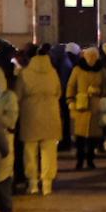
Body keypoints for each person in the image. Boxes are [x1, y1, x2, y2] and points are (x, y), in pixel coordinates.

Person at [16, 49, 62, 196]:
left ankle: (33, 184)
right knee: (49, 151)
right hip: (51, 114)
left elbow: (18, 95)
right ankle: (47, 184)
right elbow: (58, 92)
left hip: (30, 115)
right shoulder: (53, 73)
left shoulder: (25, 74)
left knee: (30, 152)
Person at [67, 44, 106, 171]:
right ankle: (80, 160)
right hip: (81, 106)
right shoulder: (78, 70)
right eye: (89, 56)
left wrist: (99, 91)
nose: (91, 58)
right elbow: (71, 86)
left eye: (93, 56)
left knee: (93, 137)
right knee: (80, 136)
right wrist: (70, 100)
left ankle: (90, 159)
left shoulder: (101, 70)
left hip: (95, 106)